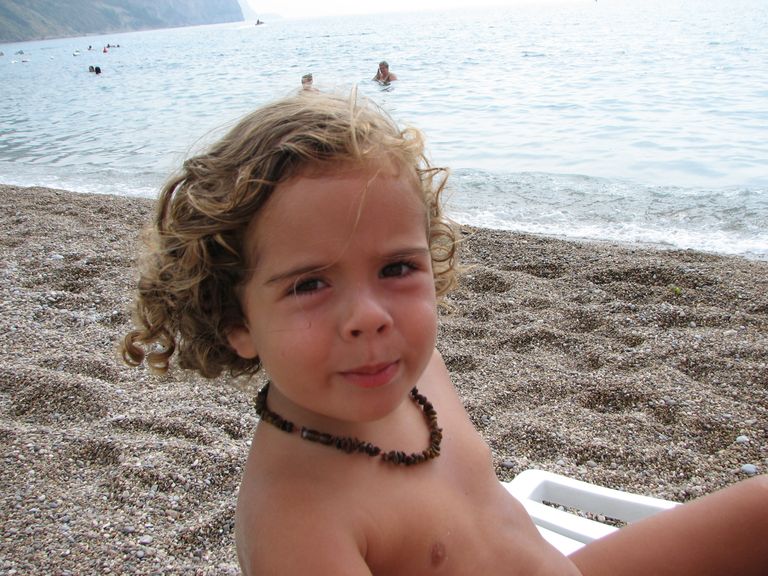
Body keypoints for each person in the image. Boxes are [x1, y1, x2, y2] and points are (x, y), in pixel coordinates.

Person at [121, 90, 768, 575]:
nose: (370, 315)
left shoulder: (415, 370)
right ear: (236, 322)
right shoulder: (296, 520)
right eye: (310, 284)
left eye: (396, 268)